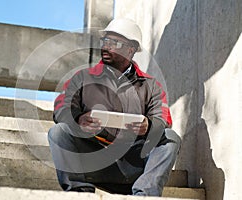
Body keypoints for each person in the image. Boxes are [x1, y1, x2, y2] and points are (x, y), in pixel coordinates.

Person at [48, 18, 181, 196]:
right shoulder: (82, 78)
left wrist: (148, 126)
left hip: (133, 166)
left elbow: (163, 118)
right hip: (95, 162)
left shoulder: (151, 85)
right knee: (59, 132)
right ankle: (79, 194)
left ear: (131, 49)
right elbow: (61, 107)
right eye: (105, 41)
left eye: (114, 43)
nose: (105, 46)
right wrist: (78, 118)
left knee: (170, 137)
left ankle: (145, 194)